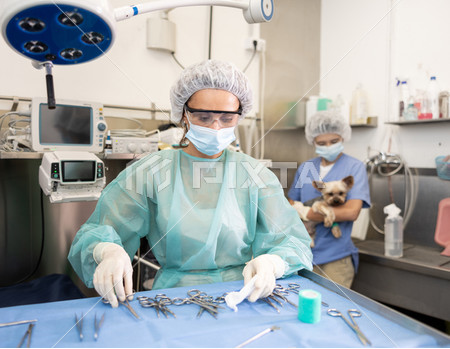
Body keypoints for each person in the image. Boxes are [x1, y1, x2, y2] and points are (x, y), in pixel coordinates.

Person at [68, 59, 313, 307]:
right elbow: (96, 232)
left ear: (240, 115)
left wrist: (273, 263)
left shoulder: (255, 175)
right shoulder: (150, 172)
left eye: (227, 119)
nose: (216, 127)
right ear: (183, 114)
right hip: (172, 298)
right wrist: (106, 251)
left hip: (239, 297)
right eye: (204, 117)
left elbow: (292, 242)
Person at [287, 111, 370, 288]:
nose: (328, 147)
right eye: (322, 143)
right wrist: (298, 209)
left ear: (342, 138)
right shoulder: (306, 168)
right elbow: (291, 202)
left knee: (331, 309)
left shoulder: (354, 167)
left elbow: (351, 212)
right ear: (313, 142)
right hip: (303, 253)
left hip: (335, 257)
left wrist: (307, 212)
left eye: (334, 142)